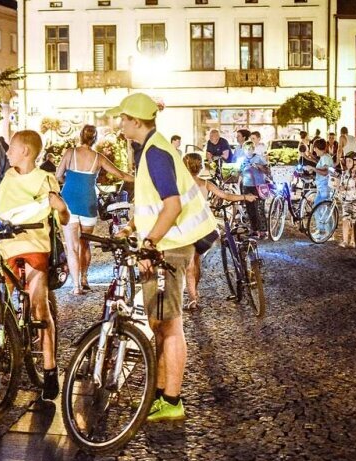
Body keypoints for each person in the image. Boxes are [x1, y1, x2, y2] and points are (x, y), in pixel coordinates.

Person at [107, 93, 218, 422]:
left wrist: (149, 242)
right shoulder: (150, 149)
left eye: (124, 119)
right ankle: (160, 394)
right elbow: (155, 204)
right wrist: (132, 227)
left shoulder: (155, 153)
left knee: (169, 326)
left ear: (137, 122)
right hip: (165, 245)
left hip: (170, 247)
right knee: (159, 322)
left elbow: (172, 205)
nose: (120, 124)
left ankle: (171, 400)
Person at [0, 130, 71, 400]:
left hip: (36, 245)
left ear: (25, 151)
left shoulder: (45, 179)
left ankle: (49, 369)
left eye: (11, 148)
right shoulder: (9, 177)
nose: (7, 152)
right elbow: (0, 208)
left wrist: (59, 208)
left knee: (39, 306)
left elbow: (63, 216)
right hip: (8, 245)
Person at [56, 125, 133, 295]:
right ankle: (84, 277)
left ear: (80, 136)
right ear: (95, 139)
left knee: (72, 247)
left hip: (69, 201)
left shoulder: (70, 153)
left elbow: (58, 175)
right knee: (85, 244)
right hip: (88, 202)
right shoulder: (99, 158)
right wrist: (140, 179)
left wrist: (68, 181)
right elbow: (120, 175)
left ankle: (76, 286)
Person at [182, 153, 256, 310]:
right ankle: (195, 292)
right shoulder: (205, 183)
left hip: (188, 230)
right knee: (196, 261)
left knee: (190, 266)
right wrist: (245, 197)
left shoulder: (178, 185)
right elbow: (226, 195)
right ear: (201, 167)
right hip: (207, 230)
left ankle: (193, 299)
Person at [239, 140, 269, 239]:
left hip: (258, 185)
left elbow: (267, 170)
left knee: (259, 208)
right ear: (243, 150)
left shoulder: (259, 158)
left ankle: (263, 231)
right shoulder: (242, 159)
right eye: (246, 149)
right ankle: (254, 230)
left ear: (253, 149)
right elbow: (239, 172)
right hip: (247, 186)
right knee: (250, 209)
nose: (248, 151)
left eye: (250, 148)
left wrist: (259, 166)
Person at [308, 138, 334, 240]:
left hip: (325, 188)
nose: (314, 151)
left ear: (317, 148)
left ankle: (325, 231)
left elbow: (325, 172)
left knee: (321, 209)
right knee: (320, 208)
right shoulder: (325, 157)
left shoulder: (325, 158)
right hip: (322, 187)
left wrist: (313, 168)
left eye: (314, 149)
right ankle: (324, 231)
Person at [339, 152, 356, 248]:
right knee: (345, 220)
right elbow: (341, 185)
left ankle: (353, 240)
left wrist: (355, 174)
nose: (347, 163)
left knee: (354, 222)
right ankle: (345, 241)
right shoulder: (345, 173)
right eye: (347, 161)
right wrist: (341, 188)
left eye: (350, 161)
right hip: (346, 200)